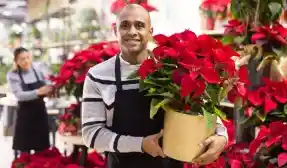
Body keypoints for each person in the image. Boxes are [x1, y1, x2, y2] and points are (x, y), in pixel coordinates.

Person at [81, 4, 228, 168]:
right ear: (115, 31)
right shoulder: (98, 75)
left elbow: (200, 109)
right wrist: (141, 144)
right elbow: (91, 134)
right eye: (124, 25)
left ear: (150, 32)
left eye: (139, 25)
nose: (132, 31)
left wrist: (222, 136)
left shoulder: (171, 69)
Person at [7, 47, 54, 158]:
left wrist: (50, 89)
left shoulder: (38, 69)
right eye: (22, 59)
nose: (26, 61)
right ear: (16, 61)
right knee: (24, 153)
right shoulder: (13, 75)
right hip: (25, 116)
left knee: (42, 151)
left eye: (28, 57)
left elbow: (48, 83)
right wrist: (39, 91)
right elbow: (19, 95)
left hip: (40, 113)